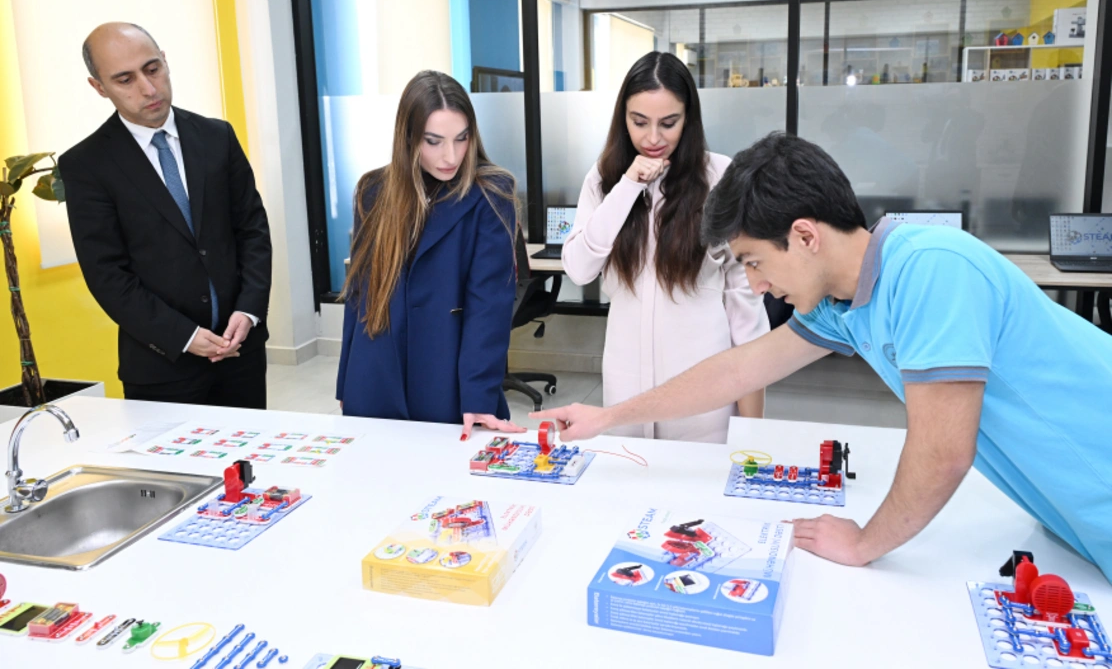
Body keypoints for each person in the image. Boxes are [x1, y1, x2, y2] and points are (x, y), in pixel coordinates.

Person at [536, 132, 1112, 581]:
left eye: (754, 261)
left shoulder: (932, 270)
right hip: (1071, 514)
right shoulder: (843, 303)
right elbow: (738, 369)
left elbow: (943, 453)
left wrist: (863, 542)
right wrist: (608, 417)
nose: (755, 285)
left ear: (806, 236)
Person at [61, 23, 272, 408]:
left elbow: (252, 230)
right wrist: (184, 336)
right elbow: (107, 273)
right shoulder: (86, 164)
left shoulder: (217, 137)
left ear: (165, 61)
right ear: (99, 87)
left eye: (152, 69)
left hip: (240, 351)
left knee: (249, 450)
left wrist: (249, 309)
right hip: (162, 365)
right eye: (125, 79)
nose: (148, 88)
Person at [561, 51, 767, 443]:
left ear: (688, 119)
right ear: (623, 118)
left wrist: (753, 427)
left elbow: (745, 303)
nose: (653, 138)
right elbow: (579, 268)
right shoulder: (604, 179)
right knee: (630, 475)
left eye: (668, 123)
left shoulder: (719, 176)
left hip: (704, 385)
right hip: (626, 385)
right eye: (639, 122)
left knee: (699, 478)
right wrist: (628, 186)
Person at [337, 70, 525, 441]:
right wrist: (347, 379)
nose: (450, 156)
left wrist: (479, 394)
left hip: (448, 376)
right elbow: (359, 294)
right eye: (434, 141)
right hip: (375, 370)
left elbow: (489, 305)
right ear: (408, 137)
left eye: (461, 138)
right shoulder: (372, 191)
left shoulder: (491, 193)